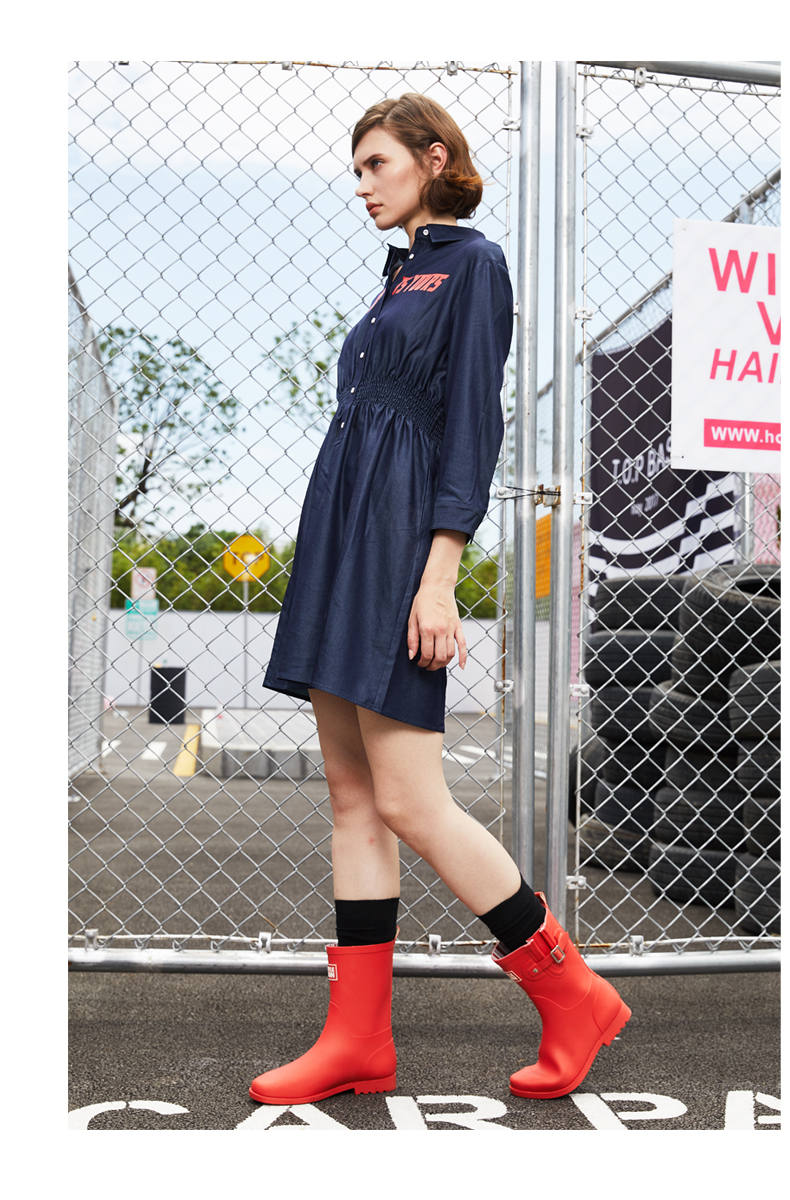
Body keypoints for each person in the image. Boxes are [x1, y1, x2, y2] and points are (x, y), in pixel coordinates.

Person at [251, 93, 630, 1106]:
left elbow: (472, 427)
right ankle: (357, 1041)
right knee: (352, 800)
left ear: (432, 158)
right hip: (342, 536)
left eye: (376, 163)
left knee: (413, 800)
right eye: (356, 169)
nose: (361, 184)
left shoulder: (473, 265)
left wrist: (437, 576)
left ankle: (573, 992)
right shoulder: (397, 277)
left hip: (397, 545)